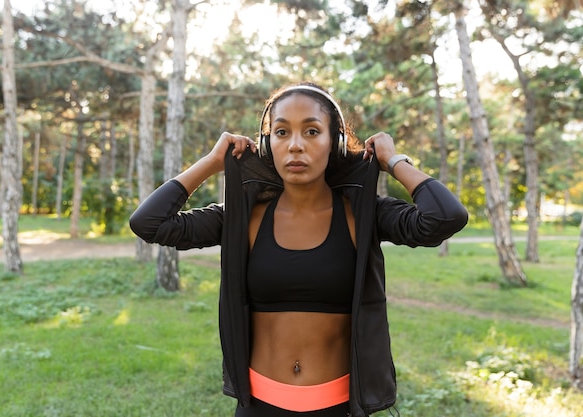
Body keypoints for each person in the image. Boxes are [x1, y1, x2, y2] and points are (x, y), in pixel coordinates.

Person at [129, 82, 468, 417]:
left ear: (334, 143)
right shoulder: (242, 218)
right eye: (280, 132)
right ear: (266, 145)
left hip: (339, 408)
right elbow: (150, 223)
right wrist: (211, 161)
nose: (294, 146)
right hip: (259, 407)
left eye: (311, 131)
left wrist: (393, 160)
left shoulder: (363, 215)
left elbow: (444, 217)